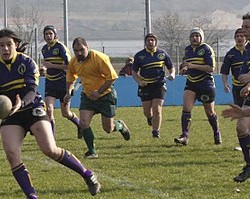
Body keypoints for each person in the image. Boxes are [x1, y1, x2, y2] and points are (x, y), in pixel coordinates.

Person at [0, 28, 100, 198]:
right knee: (11, 154)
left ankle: (87, 174)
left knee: (49, 149)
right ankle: (32, 196)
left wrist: (21, 103)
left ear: (16, 45)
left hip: (32, 108)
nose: (5, 49)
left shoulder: (27, 62)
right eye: (1, 45)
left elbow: (31, 90)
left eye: (9, 44)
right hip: (11, 114)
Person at [64, 37, 131, 159]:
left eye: (81, 50)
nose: (79, 53)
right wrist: (68, 92)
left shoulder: (99, 58)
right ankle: (92, 151)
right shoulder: (74, 62)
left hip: (105, 95)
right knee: (83, 122)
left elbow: (112, 77)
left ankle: (121, 126)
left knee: (108, 128)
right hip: (88, 96)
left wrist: (99, 91)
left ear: (87, 47)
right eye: (76, 50)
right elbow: (70, 78)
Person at [174, 27, 222, 145]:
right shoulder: (187, 50)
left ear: (201, 38)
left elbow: (211, 68)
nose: (195, 38)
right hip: (191, 83)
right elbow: (185, 64)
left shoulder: (206, 49)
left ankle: (216, 132)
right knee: (186, 108)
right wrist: (184, 68)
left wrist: (192, 66)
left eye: (197, 36)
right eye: (192, 36)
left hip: (205, 84)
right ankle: (184, 136)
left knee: (209, 112)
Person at [222, 13, 250, 183]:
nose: (244, 30)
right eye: (243, 27)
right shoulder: (247, 50)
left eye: (247, 27)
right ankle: (249, 165)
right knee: (241, 126)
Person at [132, 33, 175, 138]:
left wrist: (172, 74)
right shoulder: (139, 56)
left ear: (155, 42)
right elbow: (134, 72)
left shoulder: (162, 54)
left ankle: (156, 132)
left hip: (159, 84)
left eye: (152, 40)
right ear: (145, 42)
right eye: (148, 40)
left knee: (157, 108)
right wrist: (139, 82)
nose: (150, 42)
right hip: (145, 85)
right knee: (147, 112)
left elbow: (171, 67)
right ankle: (149, 117)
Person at [41, 25, 80, 135]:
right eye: (46, 34)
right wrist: (44, 69)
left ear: (55, 35)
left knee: (66, 113)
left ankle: (80, 125)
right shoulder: (44, 49)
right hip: (50, 83)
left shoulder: (61, 47)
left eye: (50, 33)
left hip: (63, 82)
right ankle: (51, 138)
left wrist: (51, 65)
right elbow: (47, 65)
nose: (48, 36)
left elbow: (69, 66)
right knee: (48, 109)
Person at [220, 28, 247, 151]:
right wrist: (225, 83)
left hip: (249, 88)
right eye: (237, 36)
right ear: (235, 39)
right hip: (237, 88)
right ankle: (243, 142)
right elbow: (225, 71)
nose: (240, 38)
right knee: (240, 113)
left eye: (242, 36)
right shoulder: (231, 53)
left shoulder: (249, 51)